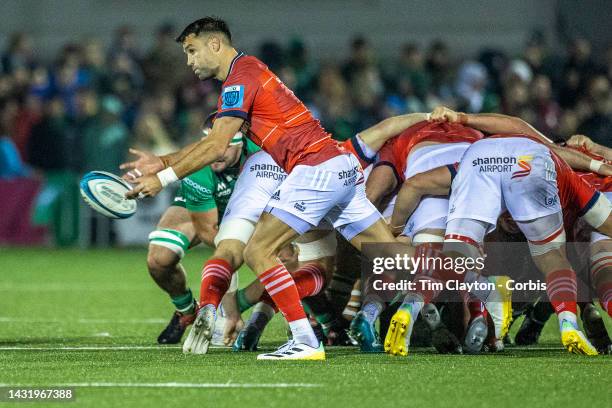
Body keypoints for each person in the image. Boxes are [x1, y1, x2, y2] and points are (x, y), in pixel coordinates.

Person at [122, 17, 417, 360]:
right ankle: (475, 271)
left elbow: (218, 145)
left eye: (192, 50)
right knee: (393, 256)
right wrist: (163, 160)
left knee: (257, 250)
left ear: (214, 44)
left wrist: (163, 178)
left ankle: (306, 340)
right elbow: (219, 140)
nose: (189, 61)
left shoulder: (240, 77)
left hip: (315, 169)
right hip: (340, 166)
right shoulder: (248, 72)